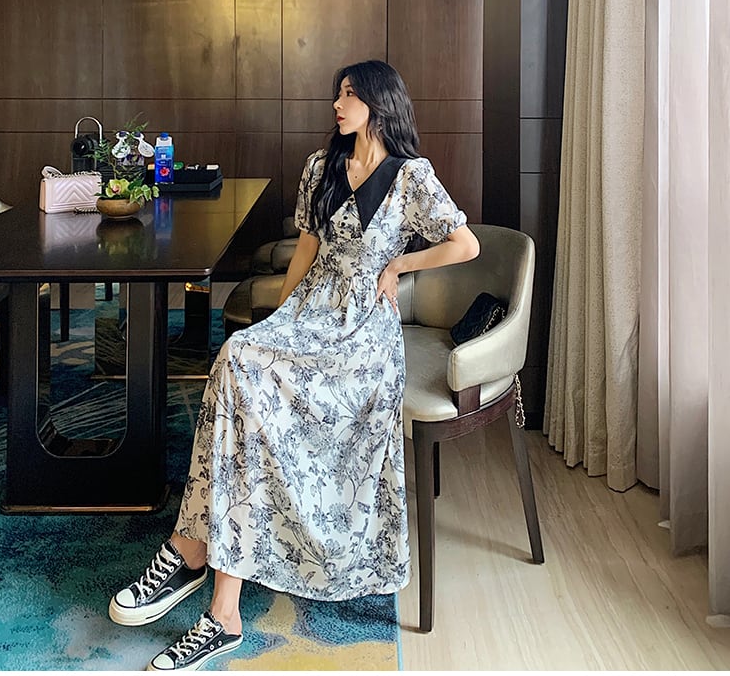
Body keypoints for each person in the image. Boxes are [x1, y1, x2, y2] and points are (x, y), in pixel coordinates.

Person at [108, 59, 480, 671]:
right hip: (311, 312)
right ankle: (211, 586)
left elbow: (465, 244)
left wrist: (398, 265)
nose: (338, 103)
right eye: (338, 93)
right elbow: (306, 250)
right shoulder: (321, 166)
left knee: (242, 370)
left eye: (349, 94)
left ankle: (195, 557)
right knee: (239, 359)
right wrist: (276, 323)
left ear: (379, 103)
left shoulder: (411, 176)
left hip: (362, 337)